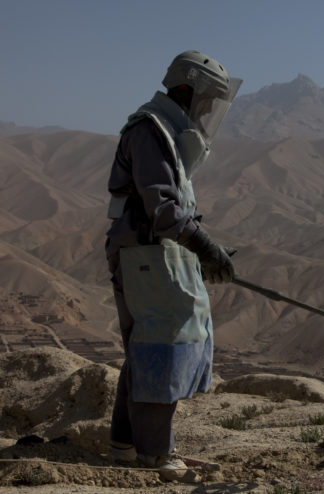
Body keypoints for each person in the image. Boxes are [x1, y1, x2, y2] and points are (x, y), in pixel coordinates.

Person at [104, 50, 242, 480]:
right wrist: (205, 247)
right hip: (145, 254)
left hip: (155, 254)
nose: (206, 110)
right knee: (160, 346)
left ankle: (126, 445)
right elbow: (163, 210)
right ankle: (155, 454)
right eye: (205, 99)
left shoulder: (167, 130)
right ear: (187, 87)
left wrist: (199, 254)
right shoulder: (150, 129)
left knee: (150, 345)